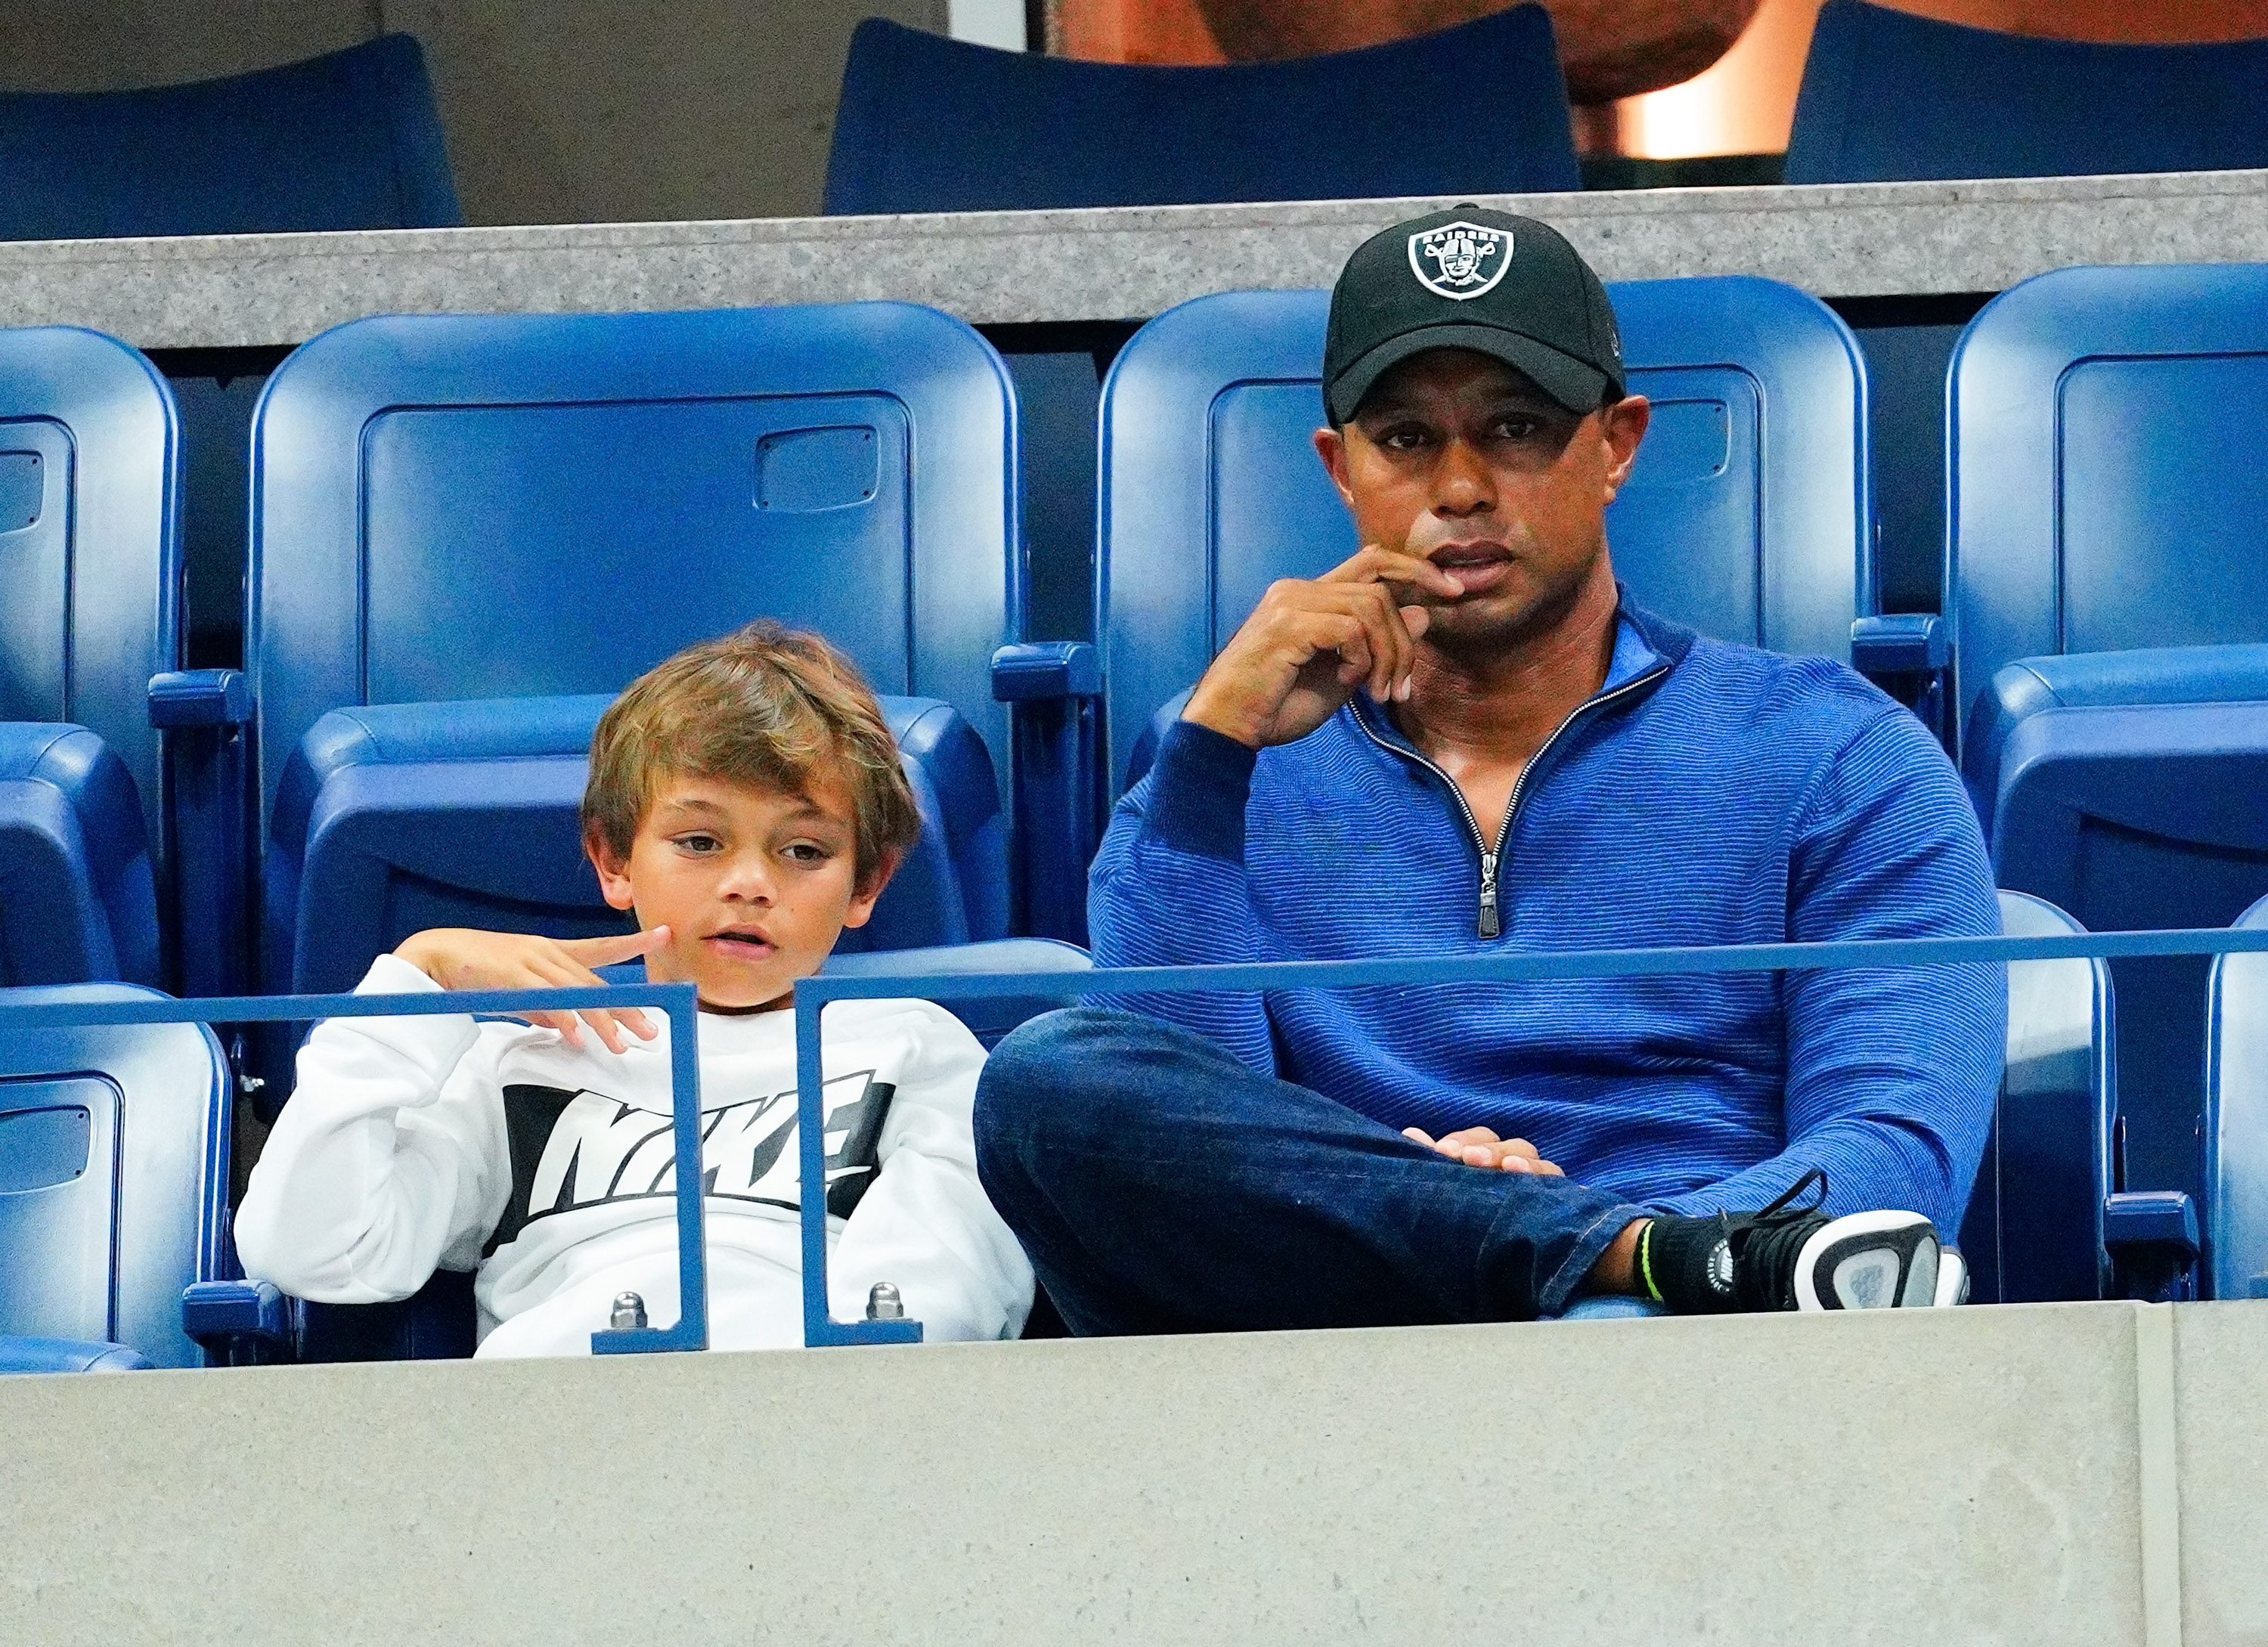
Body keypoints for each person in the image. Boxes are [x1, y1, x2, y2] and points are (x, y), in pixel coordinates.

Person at [974, 206, 2005, 1330]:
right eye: (1407, 438)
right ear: (1340, 467)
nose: (1459, 487)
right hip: (1334, 1351)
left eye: (1515, 428)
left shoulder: (1840, 756)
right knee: (1043, 1083)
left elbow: (1896, 1161)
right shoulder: (1221, 767)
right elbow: (1175, 1153)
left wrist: (1606, 1266)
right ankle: (1606, 1251)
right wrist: (1211, 750)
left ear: (1616, 445)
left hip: (1687, 1344)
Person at [236, 621, 1033, 1356]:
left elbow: (943, 1306)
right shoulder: (513, 1058)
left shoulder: (915, 1046)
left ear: (868, 883)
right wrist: (419, 973)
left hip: (809, 1436)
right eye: (699, 841)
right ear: (614, 860)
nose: (750, 883)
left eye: (801, 850)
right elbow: (309, 1248)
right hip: (548, 1446)